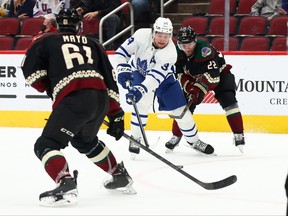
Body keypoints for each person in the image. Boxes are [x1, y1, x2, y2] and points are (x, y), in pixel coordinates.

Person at [21, 8, 135, 207]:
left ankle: (65, 182)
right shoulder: (94, 43)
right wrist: (116, 115)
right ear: (78, 26)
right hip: (100, 98)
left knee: (46, 144)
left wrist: (49, 86)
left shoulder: (45, 40)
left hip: (74, 99)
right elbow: (110, 79)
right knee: (85, 141)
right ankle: (119, 176)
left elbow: (30, 70)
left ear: (57, 24)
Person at [113, 17, 215, 158]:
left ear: (170, 35)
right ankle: (136, 138)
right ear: (153, 32)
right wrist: (123, 69)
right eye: (159, 35)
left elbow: (154, 78)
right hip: (140, 72)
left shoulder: (170, 53)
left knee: (181, 112)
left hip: (164, 80)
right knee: (140, 105)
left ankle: (194, 141)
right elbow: (121, 53)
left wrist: (140, 90)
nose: (162, 39)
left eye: (166, 36)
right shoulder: (141, 35)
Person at [165, 26, 245, 154]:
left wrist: (199, 89)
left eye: (189, 44)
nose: (186, 49)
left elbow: (214, 76)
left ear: (195, 41)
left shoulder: (204, 49)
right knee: (185, 106)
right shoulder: (176, 53)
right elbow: (179, 73)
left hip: (220, 74)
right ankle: (176, 135)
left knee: (229, 100)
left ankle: (239, 134)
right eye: (182, 45)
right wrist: (190, 86)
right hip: (194, 80)